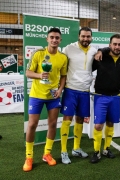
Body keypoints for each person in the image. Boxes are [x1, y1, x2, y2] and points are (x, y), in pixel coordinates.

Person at [23, 28, 68, 172]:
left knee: (53, 124)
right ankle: (29, 157)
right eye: (52, 37)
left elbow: (63, 76)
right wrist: (39, 75)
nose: (54, 40)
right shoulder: (39, 54)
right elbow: (28, 72)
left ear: (60, 40)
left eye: (57, 38)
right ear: (47, 39)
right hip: (36, 95)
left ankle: (47, 153)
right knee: (32, 125)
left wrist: (60, 90)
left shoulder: (62, 57)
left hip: (53, 96)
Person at [60, 27, 97, 164]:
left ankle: (76, 148)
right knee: (67, 119)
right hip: (70, 90)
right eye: (83, 36)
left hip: (85, 91)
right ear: (79, 36)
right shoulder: (68, 49)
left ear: (91, 37)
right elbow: (61, 67)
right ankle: (64, 151)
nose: (85, 39)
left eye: (88, 36)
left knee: (80, 119)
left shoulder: (94, 50)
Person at [90, 34, 120, 163]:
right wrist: (101, 51)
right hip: (100, 96)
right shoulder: (100, 57)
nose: (117, 47)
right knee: (98, 125)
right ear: (110, 45)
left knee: (110, 123)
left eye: (119, 44)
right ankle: (96, 151)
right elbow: (88, 70)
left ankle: (106, 149)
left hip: (116, 97)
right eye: (114, 44)